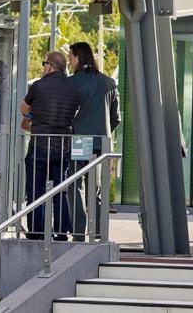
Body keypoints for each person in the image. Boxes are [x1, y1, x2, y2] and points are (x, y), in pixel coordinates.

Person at [20, 51, 79, 240]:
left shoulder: (38, 86)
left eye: (44, 63)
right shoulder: (73, 88)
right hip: (62, 146)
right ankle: (61, 233)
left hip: (39, 145)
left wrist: (35, 112)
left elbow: (24, 108)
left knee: (35, 191)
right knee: (59, 191)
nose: (43, 66)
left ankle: (36, 232)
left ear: (50, 66)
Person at [67, 42, 119, 241]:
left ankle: (79, 231)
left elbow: (68, 112)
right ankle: (97, 230)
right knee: (95, 187)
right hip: (101, 143)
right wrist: (102, 132)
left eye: (71, 57)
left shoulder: (73, 82)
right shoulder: (108, 83)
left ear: (78, 57)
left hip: (81, 140)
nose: (69, 61)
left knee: (75, 185)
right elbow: (116, 118)